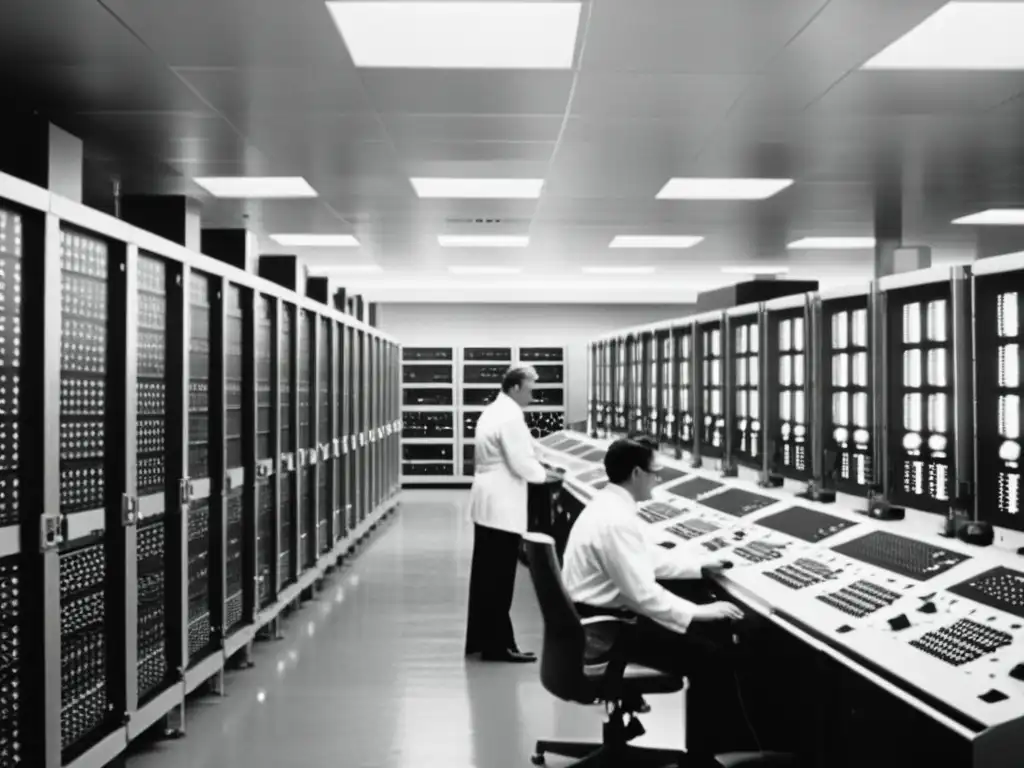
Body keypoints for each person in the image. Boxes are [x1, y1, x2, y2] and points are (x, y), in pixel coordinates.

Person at [562, 435, 755, 755]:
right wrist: (698, 612)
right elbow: (642, 595)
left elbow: (644, 558)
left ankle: (723, 752)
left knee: (711, 638)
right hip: (608, 632)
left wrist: (698, 567)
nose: (658, 479)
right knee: (713, 659)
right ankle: (715, 757)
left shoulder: (610, 506)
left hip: (597, 621)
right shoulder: (615, 520)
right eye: (655, 472)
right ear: (636, 474)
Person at [465, 366, 562, 663]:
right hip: (501, 504)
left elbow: (529, 447)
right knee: (499, 578)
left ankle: (481, 640)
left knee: (484, 577)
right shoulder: (509, 416)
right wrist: (549, 476)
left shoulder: (496, 410)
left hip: (488, 502)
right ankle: (498, 646)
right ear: (516, 387)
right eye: (531, 389)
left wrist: (544, 462)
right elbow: (522, 462)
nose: (534, 395)